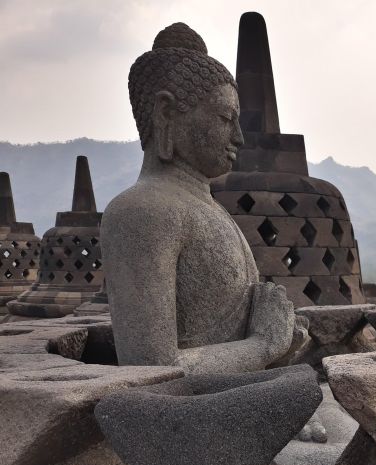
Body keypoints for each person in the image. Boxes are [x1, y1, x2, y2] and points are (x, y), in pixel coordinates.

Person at [102, 23, 303, 373]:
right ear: (166, 113)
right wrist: (263, 346)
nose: (238, 137)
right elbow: (150, 369)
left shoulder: (212, 210)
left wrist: (281, 339)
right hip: (192, 420)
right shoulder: (141, 212)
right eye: (226, 118)